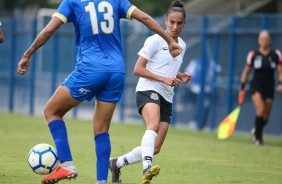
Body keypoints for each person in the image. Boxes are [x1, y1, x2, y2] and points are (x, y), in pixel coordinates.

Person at [17, 0, 182, 183]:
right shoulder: (116, 1)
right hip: (116, 72)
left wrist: (27, 54)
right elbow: (143, 17)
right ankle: (101, 181)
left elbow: (48, 30)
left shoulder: (72, 2)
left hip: (90, 70)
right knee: (102, 130)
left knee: (52, 111)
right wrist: (169, 41)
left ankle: (67, 165)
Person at [109, 1, 190, 183]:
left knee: (155, 147)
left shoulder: (182, 45)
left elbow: (165, 68)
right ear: (165, 21)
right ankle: (146, 168)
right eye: (172, 22)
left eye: (179, 23)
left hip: (167, 96)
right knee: (152, 125)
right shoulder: (155, 40)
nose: (175, 26)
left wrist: (180, 75)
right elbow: (137, 69)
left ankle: (116, 163)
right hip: (148, 89)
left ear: (184, 24)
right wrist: (164, 79)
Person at [239, 30, 282, 146]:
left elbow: (280, 71)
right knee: (261, 110)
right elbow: (246, 72)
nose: (264, 41)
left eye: (266, 39)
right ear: (258, 40)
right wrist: (242, 87)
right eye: (262, 39)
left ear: (270, 40)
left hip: (269, 87)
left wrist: (280, 83)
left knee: (266, 117)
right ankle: (258, 138)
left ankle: (256, 130)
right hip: (256, 86)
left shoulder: (276, 54)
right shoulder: (253, 54)